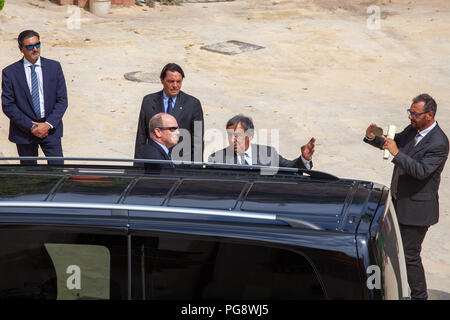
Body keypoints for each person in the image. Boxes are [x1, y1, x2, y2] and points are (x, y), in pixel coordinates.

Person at [364, 93, 449, 300]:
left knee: (410, 256)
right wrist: (374, 138)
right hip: (398, 202)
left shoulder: (439, 142)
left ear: (429, 115)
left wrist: (396, 154)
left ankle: (419, 296)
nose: (410, 117)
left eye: (414, 113)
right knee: (394, 251)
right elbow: (396, 142)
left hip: (416, 210)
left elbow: (421, 171)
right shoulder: (414, 129)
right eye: (409, 112)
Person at [1, 30, 68, 165]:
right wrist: (31, 127)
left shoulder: (54, 67)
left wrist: (47, 125)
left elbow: (62, 100)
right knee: (30, 175)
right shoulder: (10, 73)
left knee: (58, 170)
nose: (35, 49)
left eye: (37, 45)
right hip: (24, 131)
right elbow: (8, 105)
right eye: (30, 46)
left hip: (50, 129)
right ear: (21, 49)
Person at [134, 63, 204, 163]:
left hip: (182, 165)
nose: (175, 85)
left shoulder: (193, 104)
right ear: (162, 80)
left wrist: (195, 171)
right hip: (154, 163)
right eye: (171, 81)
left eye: (178, 81)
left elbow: (198, 141)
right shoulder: (148, 101)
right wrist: (137, 168)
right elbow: (141, 136)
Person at [208, 114, 315, 169]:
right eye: (229, 135)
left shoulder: (268, 154)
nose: (232, 140)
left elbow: (291, 168)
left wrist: (304, 159)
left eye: (237, 135)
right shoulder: (216, 159)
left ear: (250, 135)